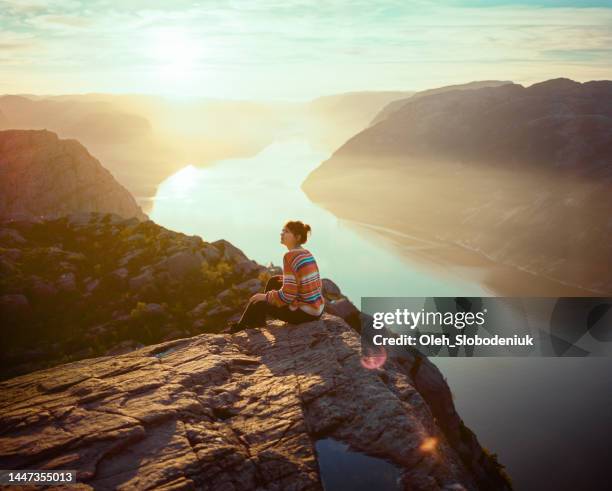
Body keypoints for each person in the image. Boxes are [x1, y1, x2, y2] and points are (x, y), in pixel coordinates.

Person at [227, 220, 324, 333]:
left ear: (297, 237)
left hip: (304, 314)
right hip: (317, 309)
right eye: (282, 231)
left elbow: (288, 296)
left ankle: (240, 328)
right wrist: (290, 281)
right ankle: (258, 319)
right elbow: (315, 282)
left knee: (257, 301)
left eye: (286, 232)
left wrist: (265, 297)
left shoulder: (290, 256)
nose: (282, 234)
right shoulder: (306, 253)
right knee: (274, 281)